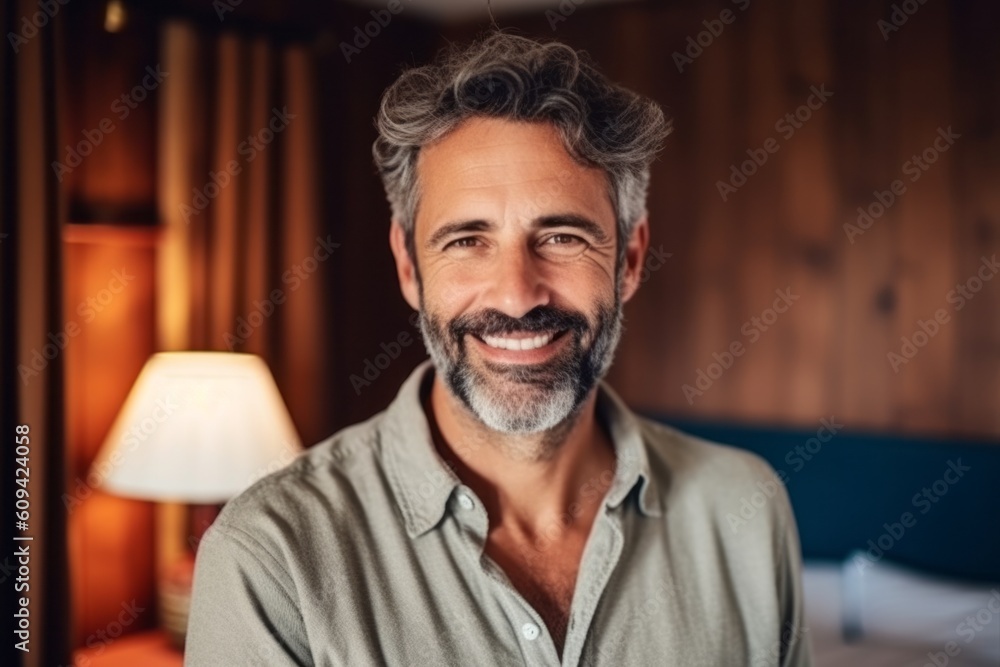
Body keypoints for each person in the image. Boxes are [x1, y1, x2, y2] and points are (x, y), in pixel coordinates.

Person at [186, 32, 811, 666]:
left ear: (629, 257)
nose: (516, 296)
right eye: (466, 241)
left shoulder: (747, 510)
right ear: (409, 266)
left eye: (563, 237)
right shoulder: (269, 560)